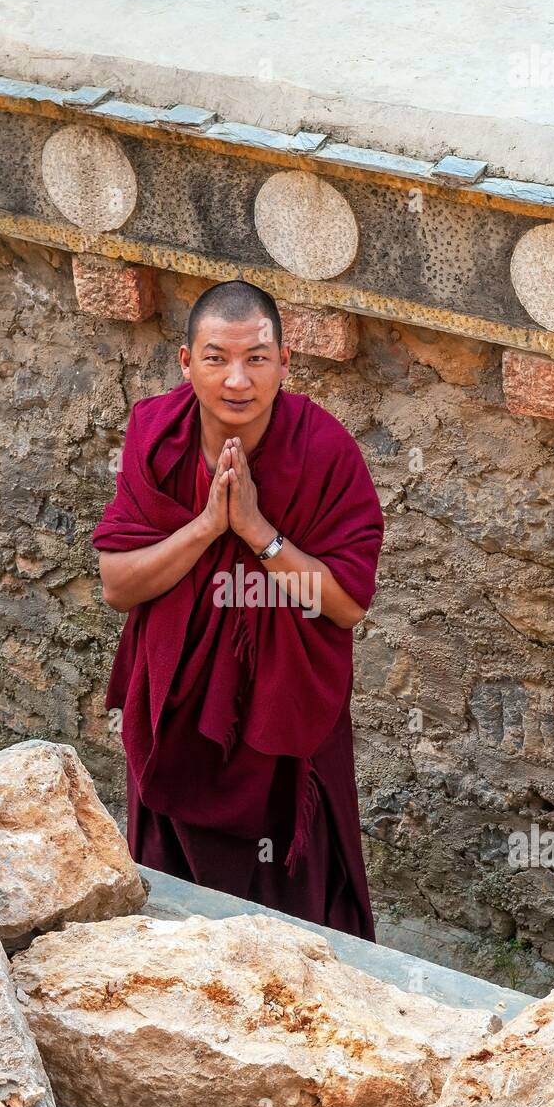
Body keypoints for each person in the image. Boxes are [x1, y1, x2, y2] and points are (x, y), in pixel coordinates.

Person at [91, 280, 384, 940]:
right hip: (177, 712)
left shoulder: (324, 452)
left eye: (255, 358)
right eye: (216, 357)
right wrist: (203, 528)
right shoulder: (155, 434)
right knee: (175, 918)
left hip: (284, 721)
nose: (236, 380)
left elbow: (342, 606)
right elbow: (117, 585)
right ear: (185, 362)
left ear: (284, 364)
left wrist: (256, 531)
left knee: (294, 920)